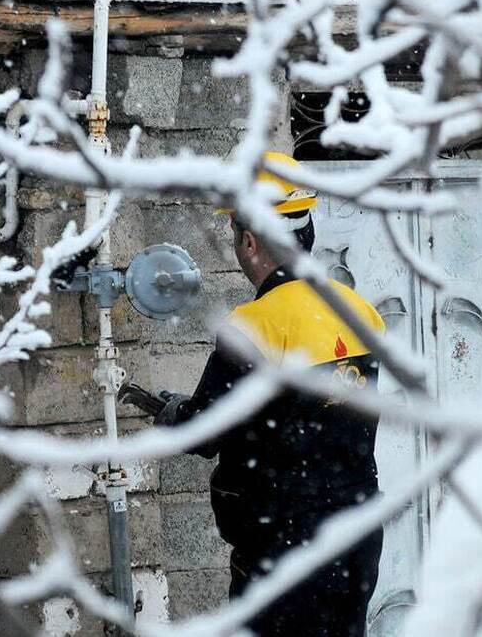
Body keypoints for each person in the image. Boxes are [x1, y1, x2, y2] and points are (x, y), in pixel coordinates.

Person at [156, 151, 386, 636]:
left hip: (285, 549)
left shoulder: (255, 326)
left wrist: (176, 413)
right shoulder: (360, 310)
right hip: (358, 536)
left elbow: (207, 432)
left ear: (249, 240)